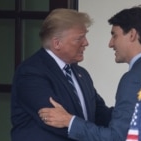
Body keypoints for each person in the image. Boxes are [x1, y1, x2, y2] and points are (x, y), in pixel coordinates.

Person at [38, 5, 141, 141]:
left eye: (115, 35)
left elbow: (116, 138)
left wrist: (70, 122)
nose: (111, 43)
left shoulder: (134, 78)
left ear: (132, 35)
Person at [10, 8, 113, 141]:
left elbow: (99, 114)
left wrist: (133, 114)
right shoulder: (31, 73)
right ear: (57, 43)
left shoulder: (81, 74)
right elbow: (56, 123)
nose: (86, 43)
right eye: (79, 38)